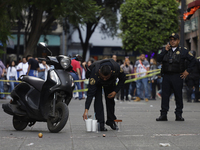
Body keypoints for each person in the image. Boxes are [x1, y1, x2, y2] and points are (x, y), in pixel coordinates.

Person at [156, 33, 195, 121]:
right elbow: (158, 59)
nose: (172, 41)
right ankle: (163, 114)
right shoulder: (164, 49)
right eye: (171, 39)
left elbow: (193, 61)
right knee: (165, 96)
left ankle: (178, 114)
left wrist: (187, 71)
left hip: (177, 76)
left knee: (178, 96)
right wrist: (165, 50)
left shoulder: (183, 50)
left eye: (174, 39)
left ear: (178, 40)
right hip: (166, 76)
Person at [82, 59, 126, 131]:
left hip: (110, 82)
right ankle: (100, 123)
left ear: (111, 72)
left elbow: (123, 79)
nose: (105, 79)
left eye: (106, 77)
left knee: (110, 100)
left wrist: (115, 91)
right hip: (98, 83)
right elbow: (90, 93)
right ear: (99, 72)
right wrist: (86, 110)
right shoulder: (95, 73)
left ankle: (111, 121)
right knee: (98, 101)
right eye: (103, 77)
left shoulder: (116, 68)